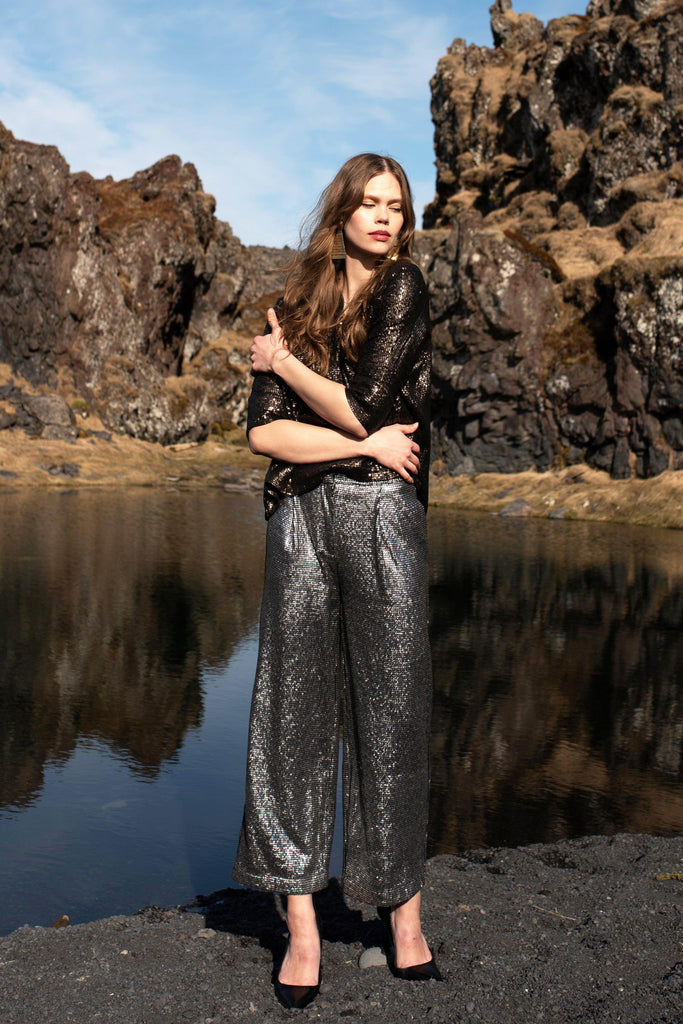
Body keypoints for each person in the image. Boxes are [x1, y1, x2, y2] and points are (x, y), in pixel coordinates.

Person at [232, 153, 440, 1008]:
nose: (384, 217)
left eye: (396, 205)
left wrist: (286, 370)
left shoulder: (403, 290)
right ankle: (303, 927)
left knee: (392, 711)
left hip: (382, 518)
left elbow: (362, 398)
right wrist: (365, 442)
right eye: (370, 203)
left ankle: (403, 917)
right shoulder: (293, 304)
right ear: (342, 212)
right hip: (299, 519)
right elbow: (264, 437)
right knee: (291, 713)